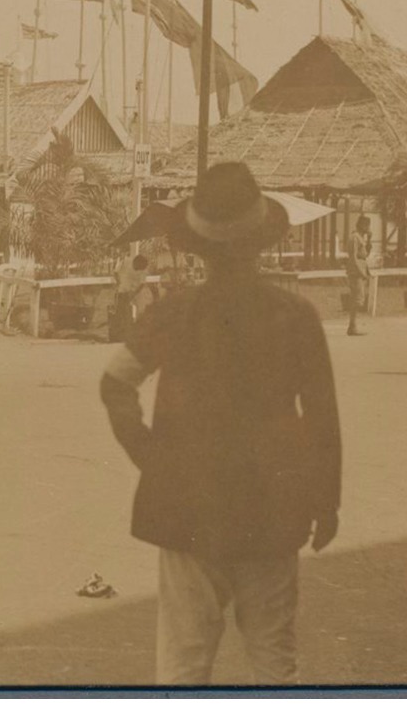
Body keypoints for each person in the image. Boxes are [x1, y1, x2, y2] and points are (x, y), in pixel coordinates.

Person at [100, 162, 342, 685]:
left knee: (183, 666)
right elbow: (323, 418)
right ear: (262, 241)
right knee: (275, 661)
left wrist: (152, 457)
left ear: (198, 246)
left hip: (188, 505)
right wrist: (326, 502)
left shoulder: (175, 312)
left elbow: (115, 383)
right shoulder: (295, 316)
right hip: (273, 506)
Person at [110, 253, 150, 343]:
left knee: (136, 313)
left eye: (140, 269)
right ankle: (119, 336)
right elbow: (115, 272)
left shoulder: (143, 268)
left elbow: (142, 283)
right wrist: (118, 282)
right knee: (120, 313)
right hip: (122, 292)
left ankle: (135, 335)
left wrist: (133, 294)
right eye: (137, 267)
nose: (138, 270)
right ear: (134, 262)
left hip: (134, 292)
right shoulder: (126, 261)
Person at [346, 215, 372, 337]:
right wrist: (360, 272)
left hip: (361, 269)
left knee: (358, 298)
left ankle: (352, 325)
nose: (368, 228)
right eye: (367, 225)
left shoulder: (362, 238)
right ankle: (352, 326)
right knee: (358, 299)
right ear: (362, 225)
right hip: (355, 271)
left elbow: (366, 254)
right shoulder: (354, 237)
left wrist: (369, 239)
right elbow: (353, 257)